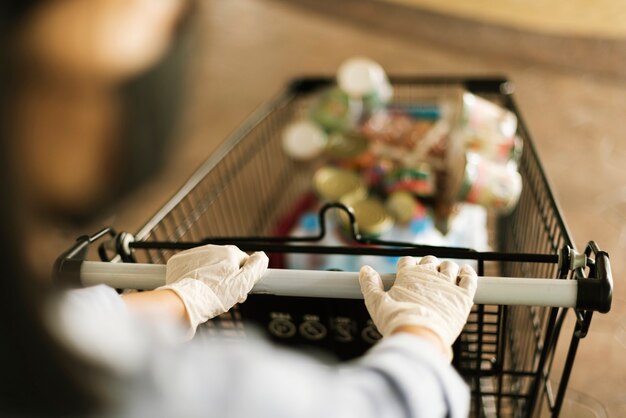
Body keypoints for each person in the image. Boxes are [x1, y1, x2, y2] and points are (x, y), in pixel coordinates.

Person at [0, 1, 477, 417]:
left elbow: (67, 330)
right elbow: (377, 409)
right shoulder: (186, 393)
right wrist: (423, 332)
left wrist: (180, 300)